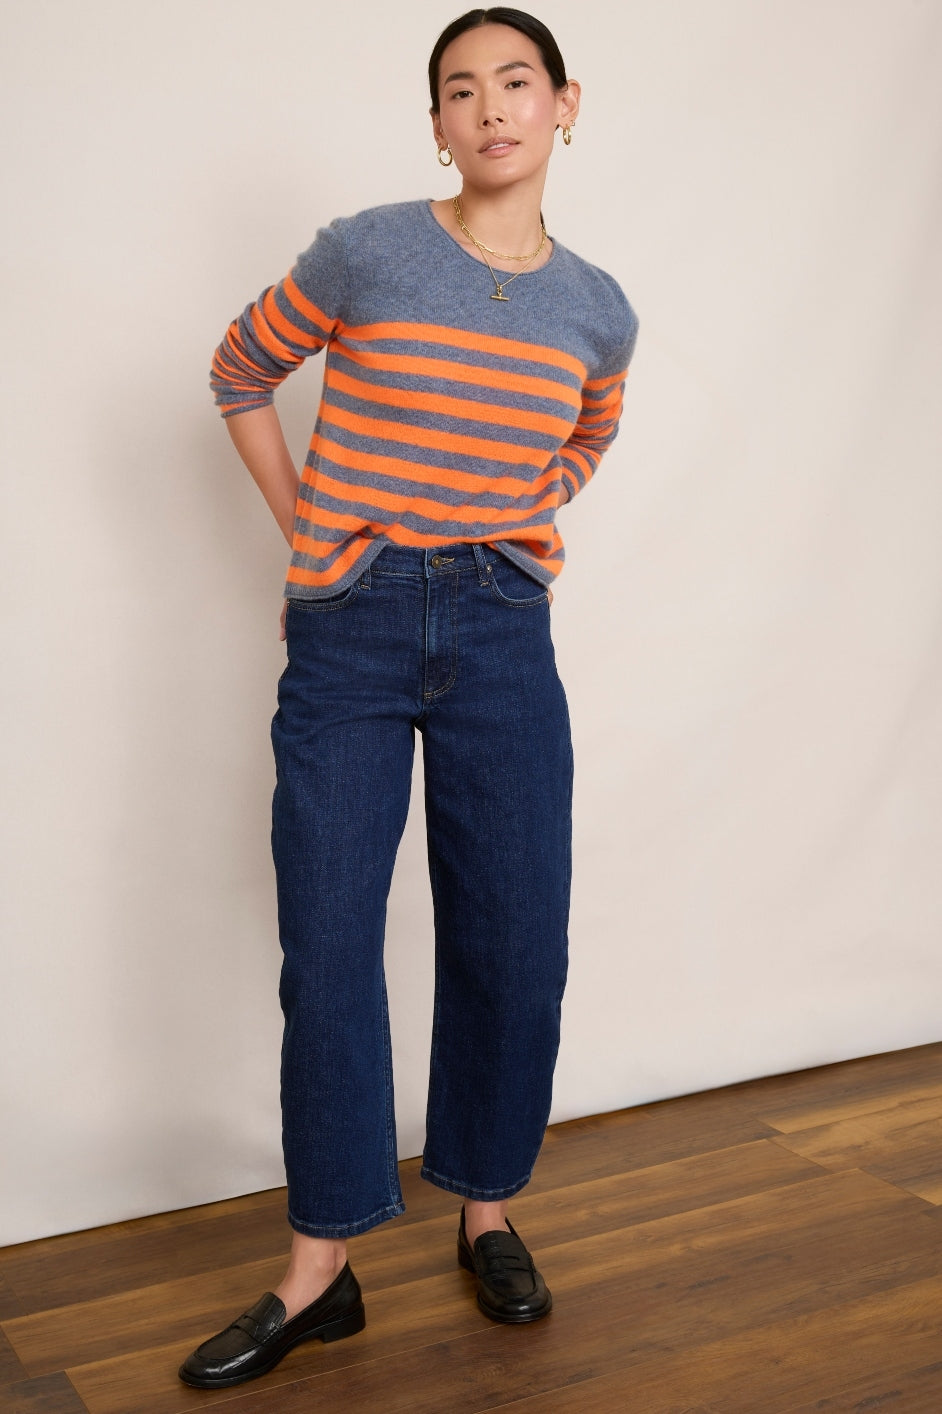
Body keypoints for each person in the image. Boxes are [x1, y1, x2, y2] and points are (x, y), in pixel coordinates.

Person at [179, 6, 638, 1389]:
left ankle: (485, 1209)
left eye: (516, 82)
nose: (490, 107)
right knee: (327, 942)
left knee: (513, 934)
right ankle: (319, 1265)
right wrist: (316, 536)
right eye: (460, 89)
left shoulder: (597, 306)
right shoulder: (368, 250)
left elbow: (588, 432)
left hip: (502, 629)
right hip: (352, 626)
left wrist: (511, 524)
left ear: (564, 104)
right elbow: (239, 370)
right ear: (435, 124)